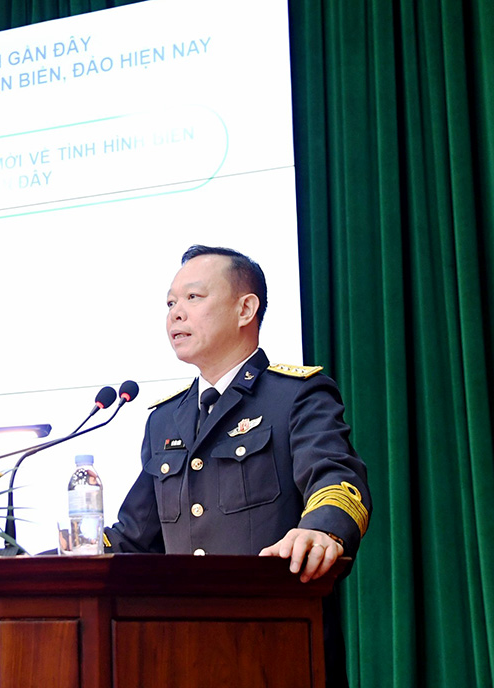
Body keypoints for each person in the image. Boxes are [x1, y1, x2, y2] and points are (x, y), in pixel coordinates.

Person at [103, 245, 371, 688]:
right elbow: (134, 536)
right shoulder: (164, 419)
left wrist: (321, 530)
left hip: (276, 651)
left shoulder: (295, 396)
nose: (175, 314)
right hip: (180, 656)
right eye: (170, 303)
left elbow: (336, 478)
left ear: (246, 309)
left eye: (193, 297)